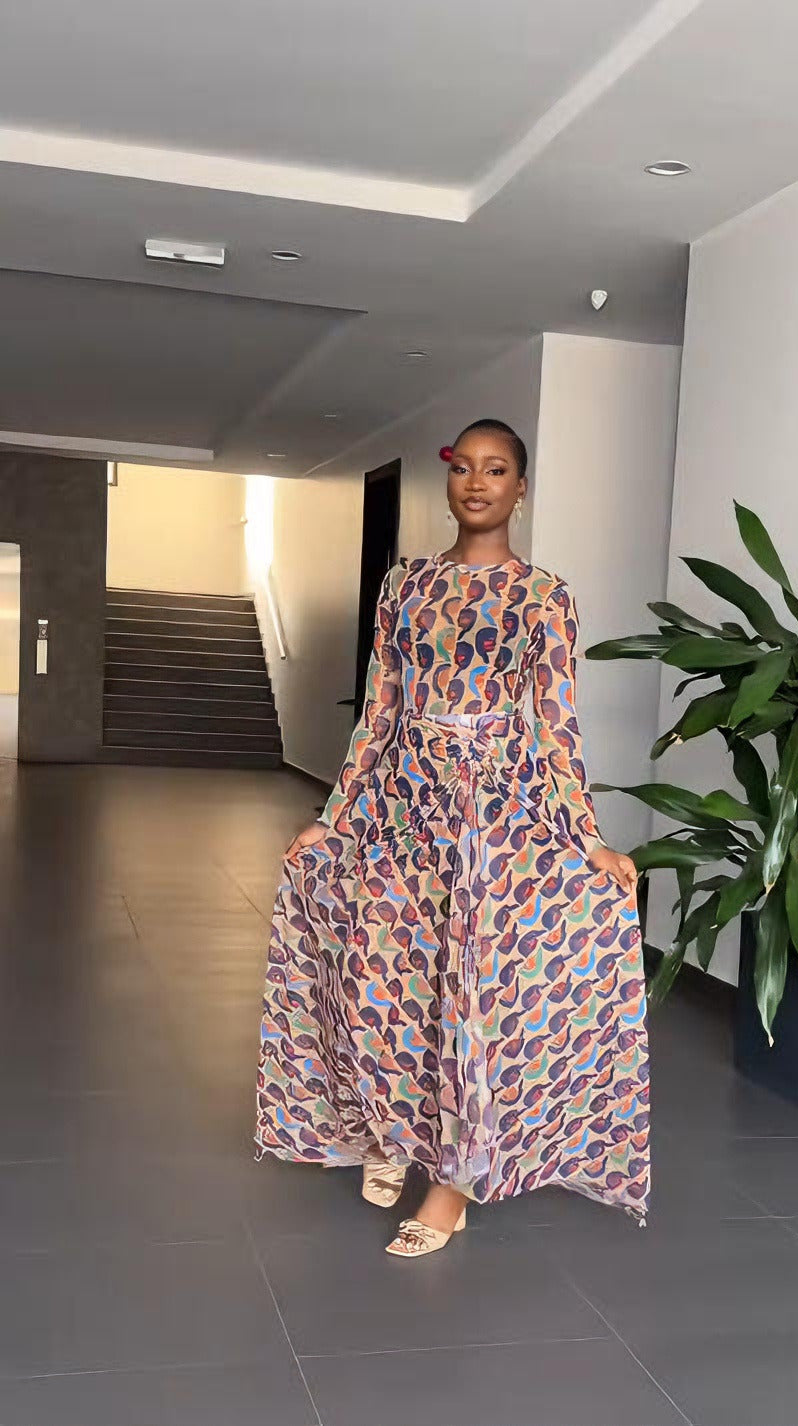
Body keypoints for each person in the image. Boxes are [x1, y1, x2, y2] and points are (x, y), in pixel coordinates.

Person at [256, 418, 650, 1257]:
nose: (477, 482)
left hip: (497, 818)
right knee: (386, 972)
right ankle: (394, 1130)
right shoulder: (406, 586)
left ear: (520, 488)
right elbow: (380, 710)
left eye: (496, 469)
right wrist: (334, 819)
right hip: (403, 808)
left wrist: (588, 840)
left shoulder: (543, 597)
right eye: (465, 467)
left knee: (468, 994)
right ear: (449, 482)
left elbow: (555, 725)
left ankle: (454, 1184)